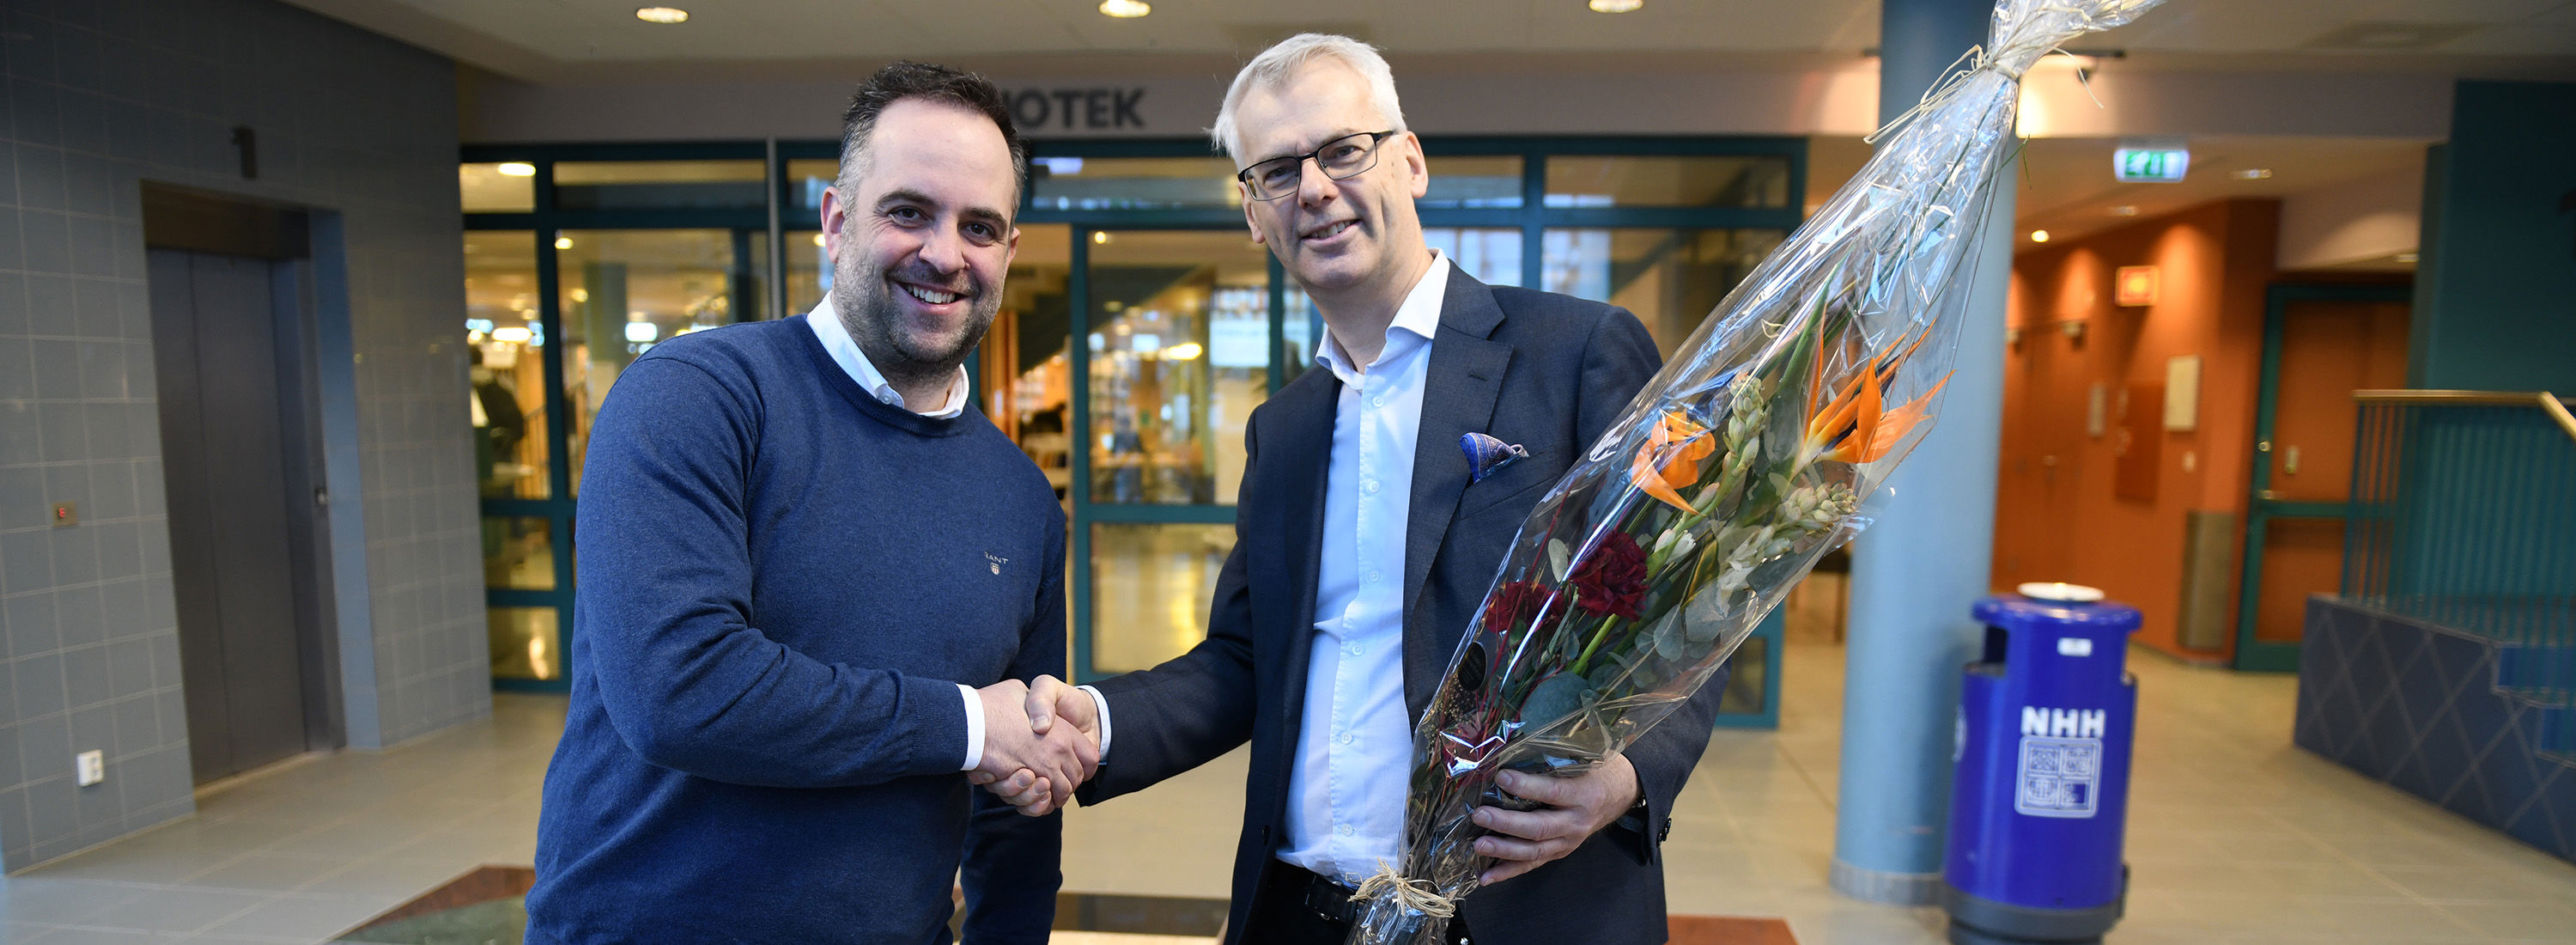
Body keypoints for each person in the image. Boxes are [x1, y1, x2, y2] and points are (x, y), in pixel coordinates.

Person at [1001, 34, 1728, 945]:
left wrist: (1627, 775)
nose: (1313, 188)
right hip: (1303, 909)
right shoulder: (1284, 430)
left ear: (1410, 160)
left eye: (1343, 149)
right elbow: (1244, 659)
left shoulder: (1574, 353)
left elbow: (1696, 596)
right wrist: (1099, 721)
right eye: (1276, 171)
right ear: (1253, 213)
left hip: (1516, 906)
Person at [526, 61, 1091, 945]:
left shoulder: (1021, 499)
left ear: (1009, 253)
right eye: (909, 212)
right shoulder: (695, 397)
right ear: (835, 220)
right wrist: (964, 723)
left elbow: (1021, 775)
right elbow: (679, 690)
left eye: (979, 226)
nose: (945, 254)